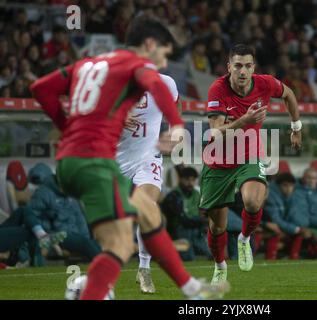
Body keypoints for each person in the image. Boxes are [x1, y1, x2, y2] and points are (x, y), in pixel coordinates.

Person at [30, 16, 229, 300]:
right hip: (99, 162)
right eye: (162, 53)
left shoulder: (90, 64)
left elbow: (40, 89)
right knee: (120, 243)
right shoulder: (135, 66)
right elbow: (155, 84)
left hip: (76, 162)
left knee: (145, 215)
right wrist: (176, 126)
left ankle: (189, 288)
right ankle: (89, 290)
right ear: (149, 45)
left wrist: (67, 128)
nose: (162, 63)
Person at [199, 44, 302, 284]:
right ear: (229, 68)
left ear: (253, 67)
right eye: (237, 66)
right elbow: (214, 133)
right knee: (217, 228)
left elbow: (289, 94)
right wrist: (244, 120)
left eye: (247, 66)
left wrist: (296, 127)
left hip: (249, 154)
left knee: (253, 201)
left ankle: (245, 239)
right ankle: (220, 266)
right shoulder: (218, 89)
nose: (243, 71)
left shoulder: (265, 83)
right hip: (218, 160)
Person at [116, 70, 180, 294]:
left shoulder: (166, 83)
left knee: (148, 206)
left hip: (148, 156)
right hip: (117, 158)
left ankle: (144, 268)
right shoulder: (113, 81)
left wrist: (173, 133)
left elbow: (175, 109)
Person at [28, 163, 101, 261]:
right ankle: (106, 268)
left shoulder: (72, 193)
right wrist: (48, 236)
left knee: (95, 244)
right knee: (86, 244)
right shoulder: (44, 193)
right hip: (57, 236)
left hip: (76, 236)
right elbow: (31, 216)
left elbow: (79, 218)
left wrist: (86, 237)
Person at [264, 173, 317, 260]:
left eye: (291, 186)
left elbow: (296, 216)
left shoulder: (291, 197)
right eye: (285, 186)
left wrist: (297, 227)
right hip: (270, 228)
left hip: (286, 228)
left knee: (311, 233)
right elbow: (276, 219)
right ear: (278, 186)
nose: (288, 189)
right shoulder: (272, 197)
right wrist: (296, 229)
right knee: (306, 233)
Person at [161, 167, 210, 261]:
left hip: (196, 230)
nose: (190, 183)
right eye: (187, 179)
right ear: (180, 179)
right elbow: (181, 219)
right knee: (188, 258)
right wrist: (203, 220)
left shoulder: (197, 194)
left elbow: (203, 212)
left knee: (211, 255)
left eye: (193, 180)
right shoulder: (174, 195)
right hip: (180, 231)